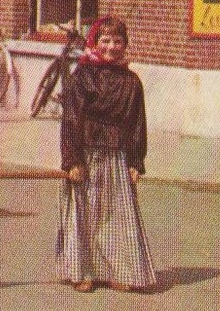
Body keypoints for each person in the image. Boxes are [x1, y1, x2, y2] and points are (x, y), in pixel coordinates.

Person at [56, 16, 156, 294]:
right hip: (86, 153)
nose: (112, 47)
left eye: (118, 42)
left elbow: (137, 124)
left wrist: (136, 161)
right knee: (83, 213)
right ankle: (83, 271)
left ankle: (117, 270)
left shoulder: (132, 82)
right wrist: (72, 159)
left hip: (116, 155)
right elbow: (71, 120)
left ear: (125, 45)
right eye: (106, 41)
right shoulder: (82, 76)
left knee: (115, 215)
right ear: (95, 43)